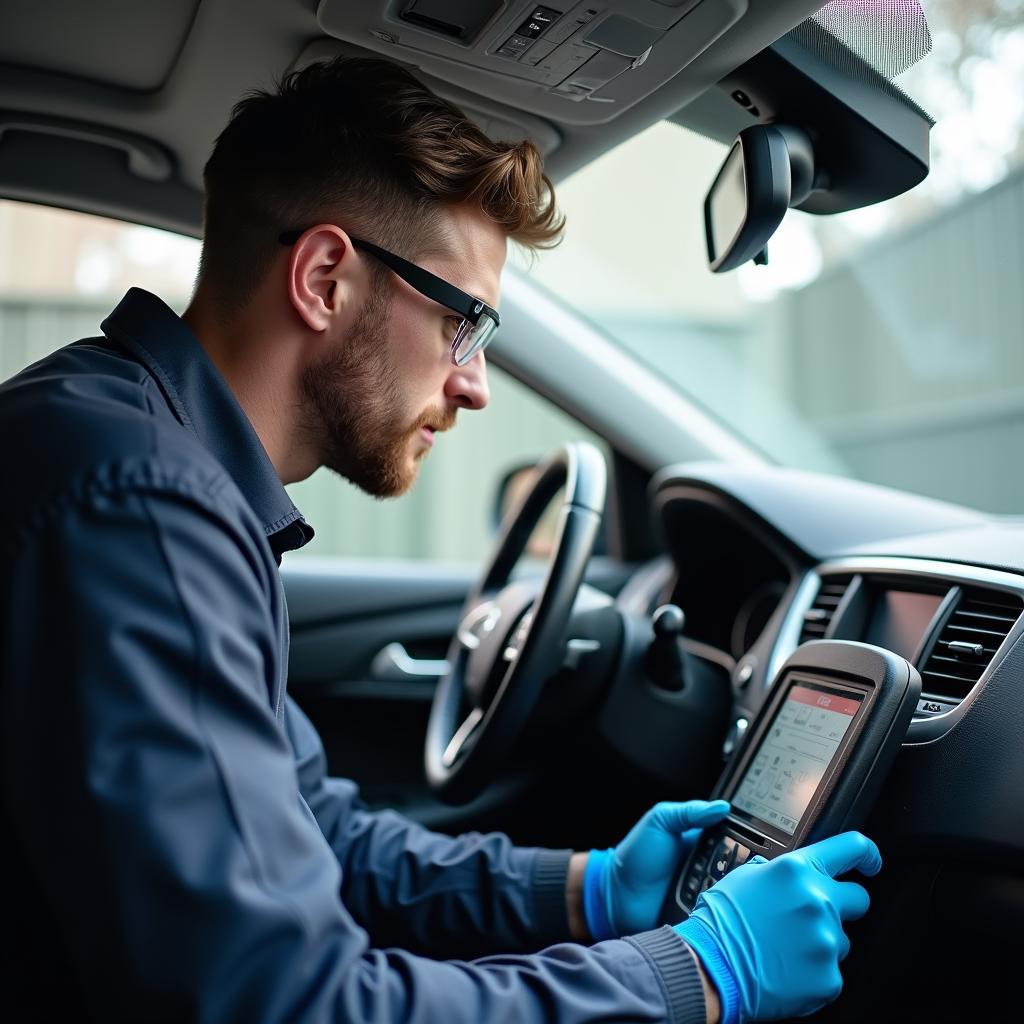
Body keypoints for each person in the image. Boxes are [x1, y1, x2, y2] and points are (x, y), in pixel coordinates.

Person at [0, 57, 881, 1024]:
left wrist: (587, 889)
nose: (476, 384)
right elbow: (287, 1004)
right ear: (325, 277)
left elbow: (309, 826)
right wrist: (699, 975)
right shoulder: (140, 504)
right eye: (466, 322)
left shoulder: (147, 457)